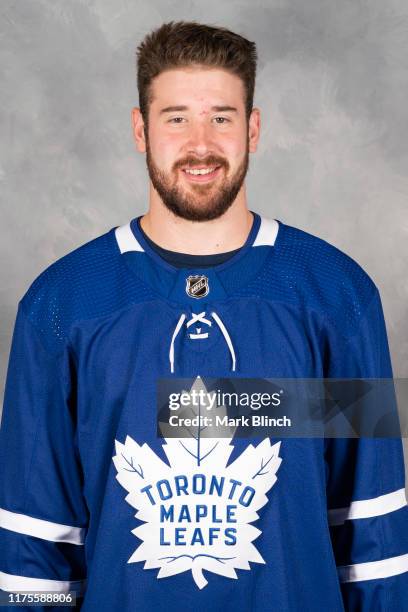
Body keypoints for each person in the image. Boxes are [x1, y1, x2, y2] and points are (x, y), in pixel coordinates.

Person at [0, 20, 407, 612]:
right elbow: (34, 545)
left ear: (254, 128)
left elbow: (374, 533)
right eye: (176, 118)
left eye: (221, 116)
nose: (200, 143)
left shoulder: (339, 297)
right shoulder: (61, 306)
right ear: (141, 129)